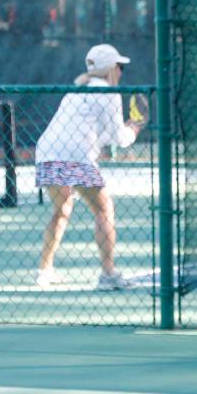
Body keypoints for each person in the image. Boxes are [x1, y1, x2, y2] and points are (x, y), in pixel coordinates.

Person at [35, 44, 146, 290]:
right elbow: (118, 138)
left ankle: (44, 271)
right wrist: (136, 126)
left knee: (61, 210)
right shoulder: (108, 93)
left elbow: (102, 135)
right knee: (103, 209)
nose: (121, 72)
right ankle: (108, 275)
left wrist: (127, 127)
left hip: (46, 153)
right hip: (75, 156)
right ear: (110, 69)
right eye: (120, 67)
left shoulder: (76, 91)